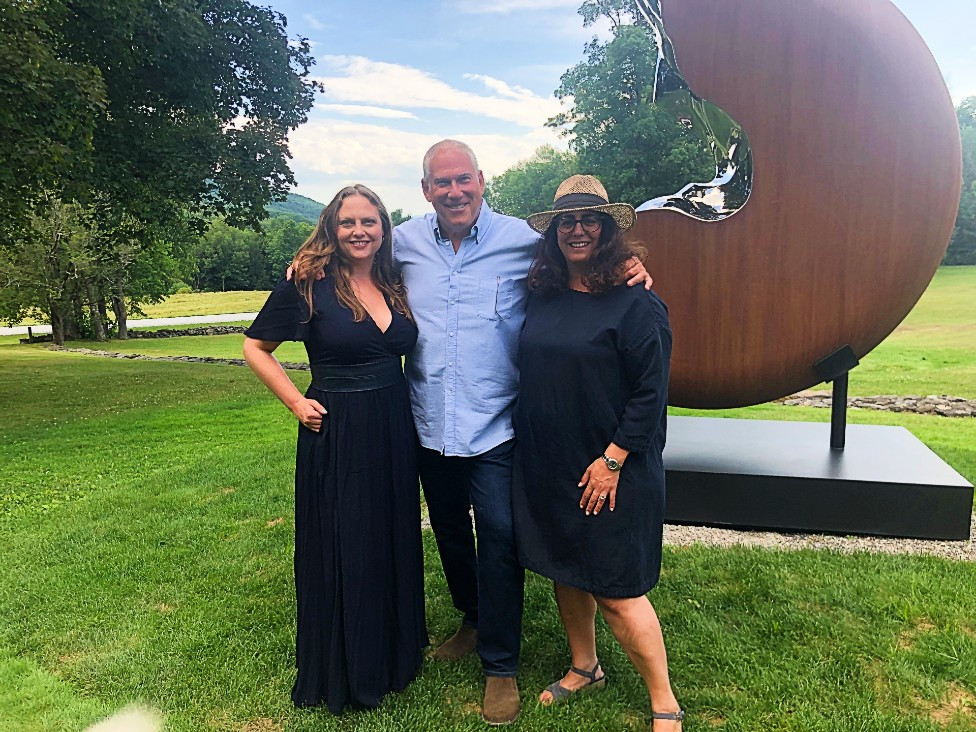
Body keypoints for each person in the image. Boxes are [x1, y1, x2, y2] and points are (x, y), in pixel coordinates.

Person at [392, 141, 653, 725]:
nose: (454, 192)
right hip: (429, 424)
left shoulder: (524, 242)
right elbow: (348, 253)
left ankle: (500, 667)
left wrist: (630, 267)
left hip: (498, 429)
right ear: (426, 189)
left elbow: (584, 257)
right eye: (442, 183)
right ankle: (472, 618)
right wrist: (307, 261)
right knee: (452, 535)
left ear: (482, 181)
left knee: (503, 540)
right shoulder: (402, 243)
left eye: (464, 180)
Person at [243, 184, 427, 714]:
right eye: (348, 222)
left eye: (369, 221)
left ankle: (394, 652)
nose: (359, 231)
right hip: (338, 427)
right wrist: (297, 404)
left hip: (393, 425)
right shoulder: (308, 283)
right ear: (331, 226)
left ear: (383, 227)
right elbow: (256, 348)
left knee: (391, 532)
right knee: (346, 538)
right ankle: (350, 663)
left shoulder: (392, 280)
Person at [512, 175, 683, 730]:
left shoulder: (637, 304)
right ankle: (585, 667)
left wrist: (612, 460)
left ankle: (663, 701)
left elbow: (651, 394)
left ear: (608, 230)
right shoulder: (544, 293)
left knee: (617, 588)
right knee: (566, 566)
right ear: (554, 232)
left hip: (614, 466)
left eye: (589, 220)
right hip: (552, 460)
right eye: (567, 221)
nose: (577, 230)